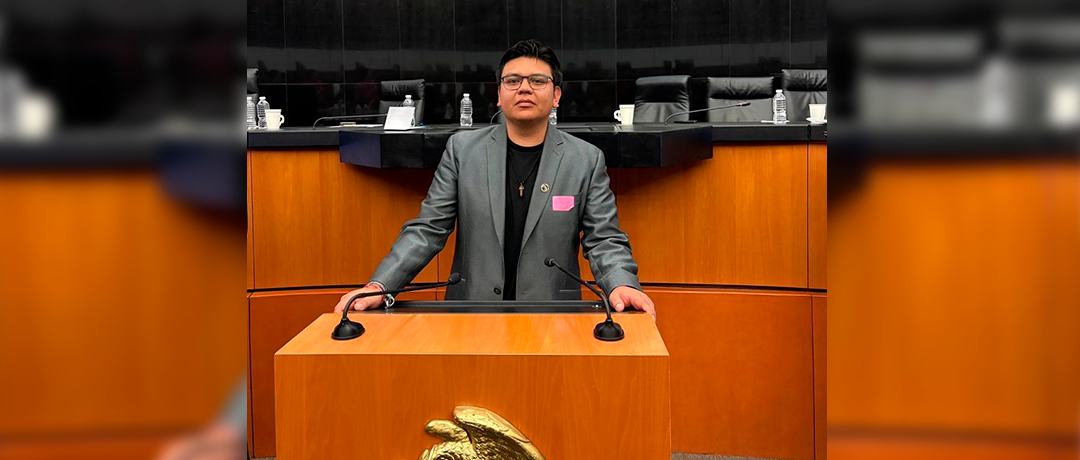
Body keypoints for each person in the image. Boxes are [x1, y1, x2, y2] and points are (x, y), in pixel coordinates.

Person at [333, 39, 655, 318]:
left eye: (538, 80)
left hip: (553, 318)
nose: (525, 88)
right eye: (513, 80)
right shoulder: (463, 151)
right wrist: (381, 285)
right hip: (472, 315)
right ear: (499, 94)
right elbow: (427, 230)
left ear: (557, 95)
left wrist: (622, 284)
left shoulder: (585, 160)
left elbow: (604, 239)